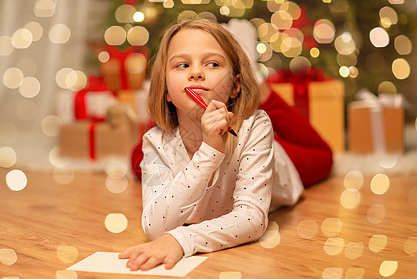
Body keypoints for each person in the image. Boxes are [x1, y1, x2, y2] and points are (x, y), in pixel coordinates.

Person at [119, 18, 331, 271]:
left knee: (324, 157)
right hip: (194, 145)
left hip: (275, 163)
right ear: (165, 90)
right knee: (137, 158)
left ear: (234, 87)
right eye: (182, 64)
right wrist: (208, 151)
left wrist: (182, 239)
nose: (196, 73)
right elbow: (155, 227)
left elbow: (252, 218)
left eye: (212, 64)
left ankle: (258, 86)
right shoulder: (155, 141)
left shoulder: (256, 127)